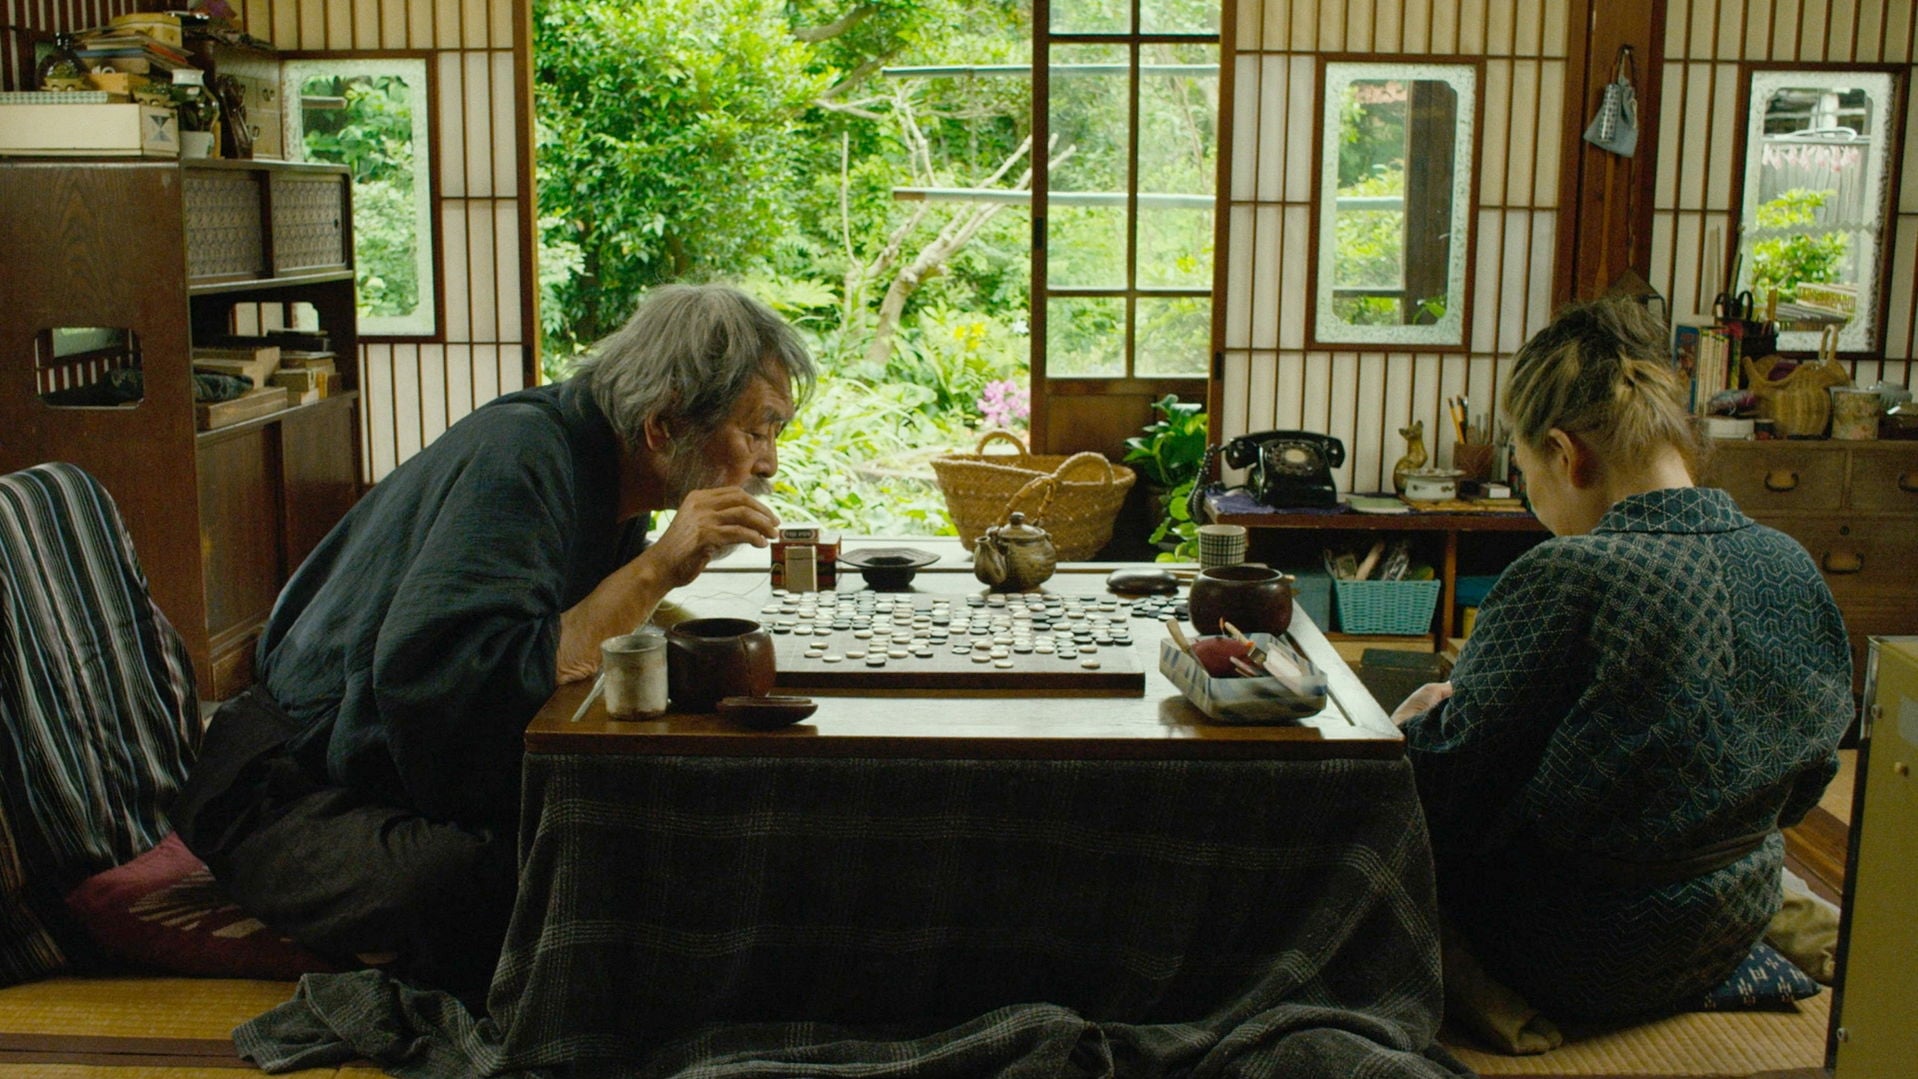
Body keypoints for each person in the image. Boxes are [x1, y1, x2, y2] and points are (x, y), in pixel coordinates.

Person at [174, 283, 814, 997]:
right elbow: (446, 683)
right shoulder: (522, 454)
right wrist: (658, 566)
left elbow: (572, 632)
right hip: (287, 787)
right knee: (523, 879)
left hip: (366, 773)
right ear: (663, 424)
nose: (768, 463)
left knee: (632, 833)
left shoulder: (610, 468)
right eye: (757, 432)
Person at [1389, 297, 1851, 1022]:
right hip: (1730, 920)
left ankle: (1486, 998)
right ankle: (1799, 919)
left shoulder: (1569, 575)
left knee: (1363, 809)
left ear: (1566, 455)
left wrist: (1412, 726)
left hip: (1578, 951)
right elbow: (1808, 779)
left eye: (1526, 470)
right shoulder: (1788, 561)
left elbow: (1447, 795)